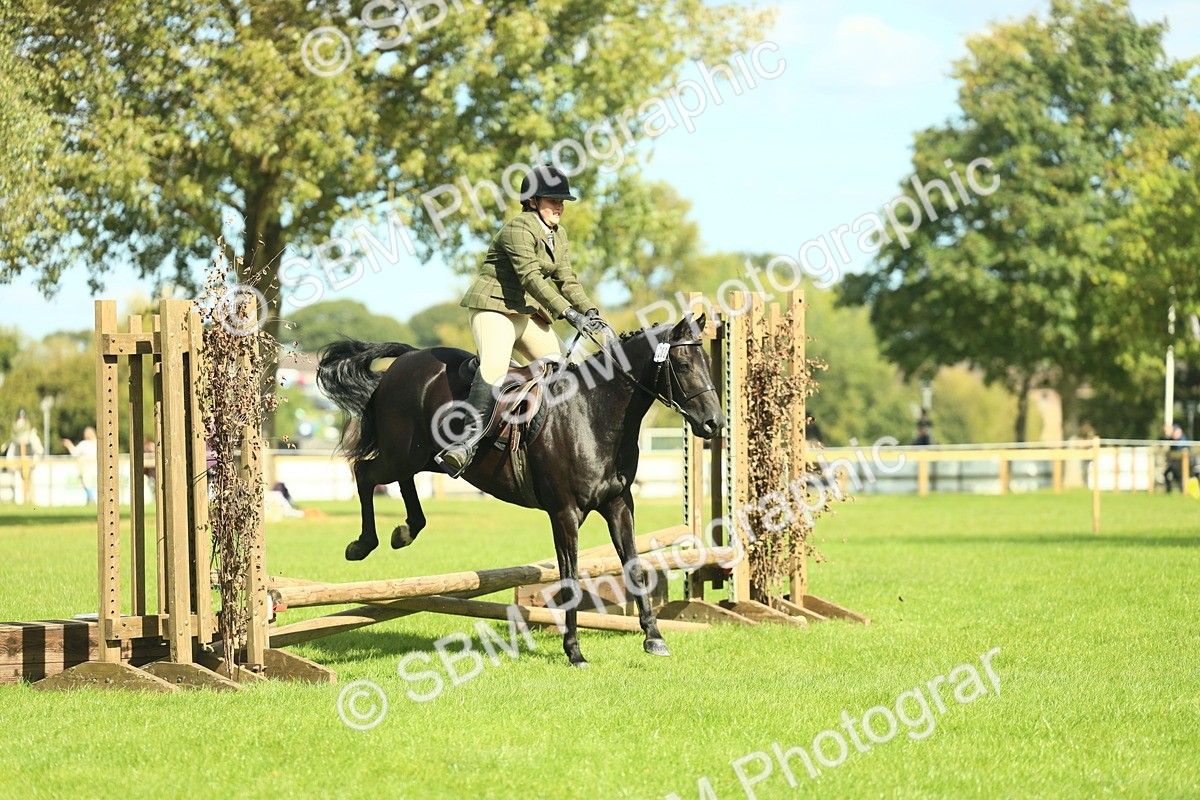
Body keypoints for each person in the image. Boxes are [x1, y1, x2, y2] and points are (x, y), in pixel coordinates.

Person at [437, 164, 610, 477]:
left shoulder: (559, 235)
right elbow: (531, 278)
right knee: (494, 367)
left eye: (562, 201)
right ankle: (463, 444)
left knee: (566, 367)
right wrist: (569, 314)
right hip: (493, 309)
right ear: (532, 201)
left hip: (523, 314)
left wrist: (590, 310)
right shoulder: (518, 228)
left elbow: (567, 279)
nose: (559, 206)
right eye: (552, 200)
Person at [62, 427, 98, 504]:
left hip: (96, 466)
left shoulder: (98, 443)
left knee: (90, 483)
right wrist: (69, 445)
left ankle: (91, 499)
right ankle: (91, 498)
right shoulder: (84, 444)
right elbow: (75, 452)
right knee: (86, 482)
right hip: (87, 467)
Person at [1163, 423, 1193, 494]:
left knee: (1180, 476)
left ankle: (1183, 491)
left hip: (1181, 461)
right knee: (1168, 474)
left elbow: (1183, 449)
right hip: (1175, 461)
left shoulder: (1180, 436)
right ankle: (1170, 490)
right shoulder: (1172, 438)